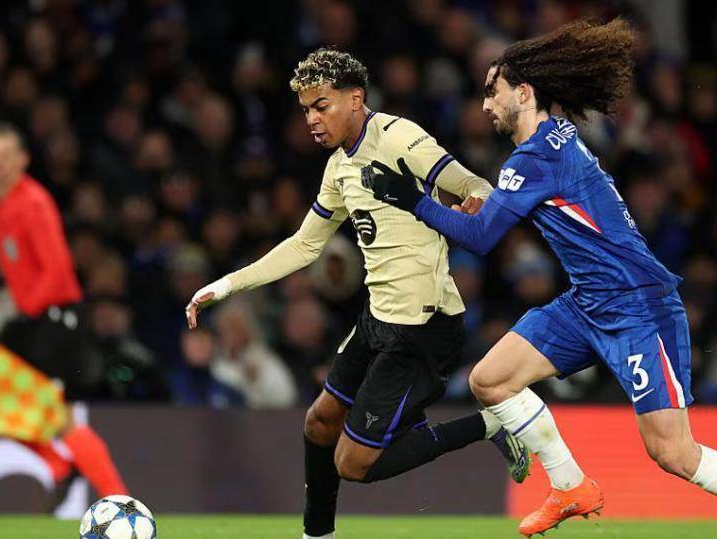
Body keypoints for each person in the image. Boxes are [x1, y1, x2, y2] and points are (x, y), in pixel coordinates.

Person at [369, 19, 717, 539]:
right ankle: (570, 486)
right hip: (587, 303)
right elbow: (515, 209)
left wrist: (413, 200)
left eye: (492, 90)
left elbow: (483, 238)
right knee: (489, 380)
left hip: (637, 306)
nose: (485, 104)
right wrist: (477, 206)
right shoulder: (553, 140)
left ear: (524, 92)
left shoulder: (537, 156)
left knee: (673, 452)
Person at [185, 49, 530, 539]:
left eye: (321, 106)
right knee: (319, 423)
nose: (312, 119)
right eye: (306, 109)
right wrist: (225, 284)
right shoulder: (338, 168)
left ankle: (490, 425)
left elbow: (474, 184)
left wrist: (476, 200)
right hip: (378, 318)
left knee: (352, 462)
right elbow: (304, 245)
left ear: (355, 99)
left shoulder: (400, 137)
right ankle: (316, 536)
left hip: (422, 327)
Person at [0, 123, 128, 503]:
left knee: (60, 416)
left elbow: (57, 269)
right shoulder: (1, 207)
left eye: (7, 156)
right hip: (32, 318)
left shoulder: (33, 202)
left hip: (56, 317)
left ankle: (120, 501)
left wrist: (28, 311)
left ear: (23, 160)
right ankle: (61, 468)